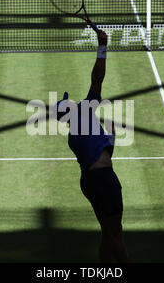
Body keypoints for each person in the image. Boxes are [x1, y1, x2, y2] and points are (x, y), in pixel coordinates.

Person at [56, 31, 129, 263]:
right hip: (103, 181)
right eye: (69, 102)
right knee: (113, 234)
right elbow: (97, 79)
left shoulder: (74, 136)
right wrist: (102, 46)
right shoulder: (84, 113)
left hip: (92, 181)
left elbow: (104, 154)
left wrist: (111, 138)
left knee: (110, 234)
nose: (73, 101)